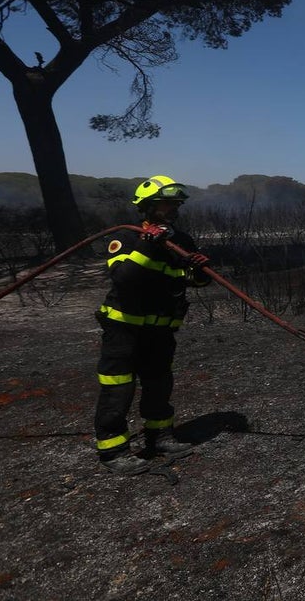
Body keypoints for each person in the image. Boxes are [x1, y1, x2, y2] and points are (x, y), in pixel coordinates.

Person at [93, 175, 212, 474]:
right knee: (118, 387)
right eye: (165, 204)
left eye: (176, 204)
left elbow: (189, 282)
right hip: (124, 329)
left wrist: (200, 271)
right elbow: (123, 279)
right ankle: (113, 450)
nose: (173, 209)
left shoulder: (180, 241)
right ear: (146, 207)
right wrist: (148, 246)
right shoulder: (127, 238)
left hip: (160, 330)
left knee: (159, 383)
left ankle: (160, 436)